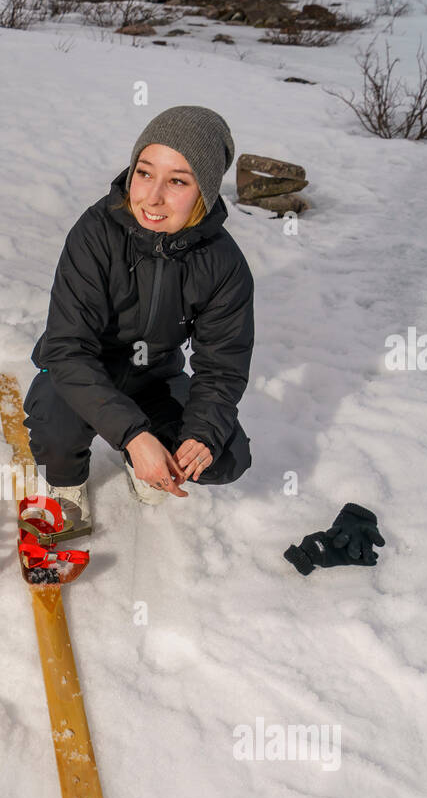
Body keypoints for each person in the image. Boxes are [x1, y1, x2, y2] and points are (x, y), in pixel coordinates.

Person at [24, 105, 254, 534]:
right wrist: (134, 435)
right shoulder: (96, 233)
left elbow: (222, 368)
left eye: (178, 181)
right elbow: (68, 349)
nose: (152, 196)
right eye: (145, 173)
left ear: (203, 190)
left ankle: (149, 459)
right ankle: (68, 482)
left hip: (155, 376)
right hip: (82, 371)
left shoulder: (223, 264)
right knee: (56, 424)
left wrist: (200, 435)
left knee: (226, 456)